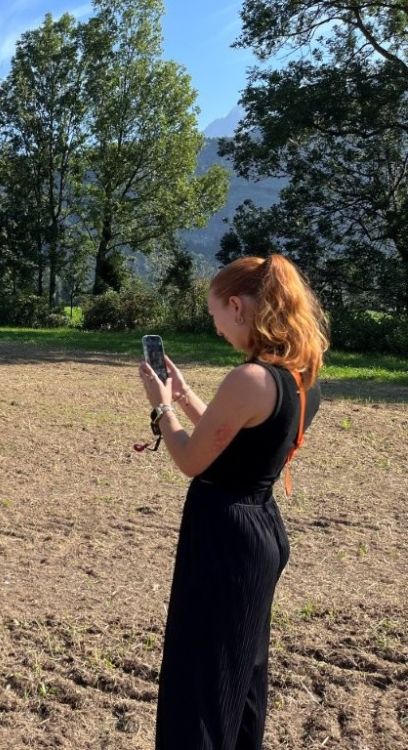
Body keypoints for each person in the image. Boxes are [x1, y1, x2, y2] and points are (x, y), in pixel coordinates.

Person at [137, 254, 328, 749]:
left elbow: (192, 458)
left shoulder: (249, 380)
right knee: (239, 674)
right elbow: (239, 442)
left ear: (238, 307)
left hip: (224, 540)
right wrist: (183, 397)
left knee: (200, 683)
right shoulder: (299, 376)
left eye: (215, 314)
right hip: (259, 528)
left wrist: (158, 405)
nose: (216, 326)